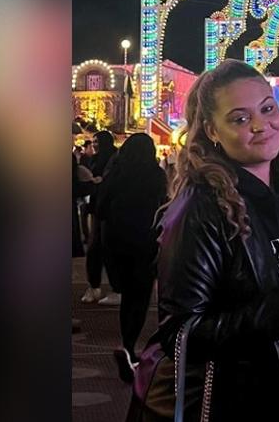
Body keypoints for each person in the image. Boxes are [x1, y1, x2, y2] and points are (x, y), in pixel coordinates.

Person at [126, 60, 279, 422]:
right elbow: (179, 333)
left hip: (275, 398)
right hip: (220, 404)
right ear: (212, 131)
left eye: (267, 108)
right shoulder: (201, 206)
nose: (262, 125)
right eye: (239, 119)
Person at [96, 133, 168, 382]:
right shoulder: (156, 175)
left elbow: (100, 208)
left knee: (127, 294)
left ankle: (127, 344)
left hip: (116, 241)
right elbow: (164, 207)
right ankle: (130, 345)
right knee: (140, 296)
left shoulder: (115, 174)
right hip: (144, 242)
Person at [81, 130, 120, 305]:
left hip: (109, 211)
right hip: (97, 209)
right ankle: (94, 286)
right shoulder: (94, 159)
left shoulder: (115, 159)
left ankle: (114, 288)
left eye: (97, 141)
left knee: (108, 248)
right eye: (93, 141)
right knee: (94, 248)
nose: (94, 144)